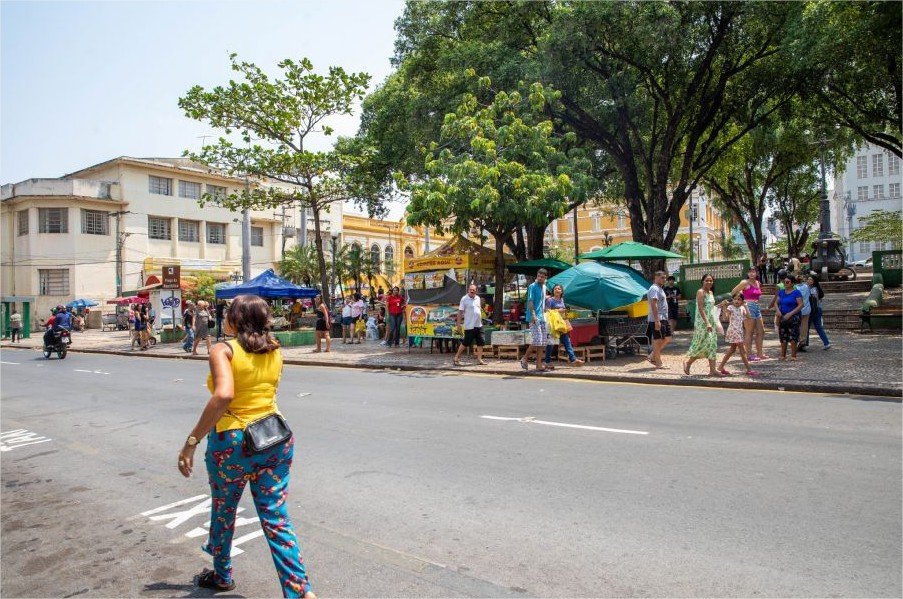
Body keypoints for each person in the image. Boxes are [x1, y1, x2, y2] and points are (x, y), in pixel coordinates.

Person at [176, 294, 315, 598]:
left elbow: (224, 395)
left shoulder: (223, 351)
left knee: (224, 510)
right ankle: (301, 591)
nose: (222, 316)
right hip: (275, 437)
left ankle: (223, 575)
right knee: (276, 517)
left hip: (233, 443)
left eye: (226, 312)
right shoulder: (275, 347)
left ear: (236, 320)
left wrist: (192, 441)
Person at [683, 274, 721, 376]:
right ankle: (688, 363)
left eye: (711, 280)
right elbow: (701, 308)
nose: (709, 282)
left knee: (712, 344)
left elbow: (711, 308)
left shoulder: (711, 292)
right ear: (702, 281)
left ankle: (713, 370)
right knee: (703, 345)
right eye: (707, 280)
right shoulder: (700, 292)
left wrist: (721, 305)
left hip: (711, 322)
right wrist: (707, 322)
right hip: (703, 323)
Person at [731, 267, 768, 362]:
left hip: (756, 306)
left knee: (761, 331)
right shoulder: (744, 282)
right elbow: (733, 292)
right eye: (750, 271)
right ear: (747, 273)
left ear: (756, 273)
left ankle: (760, 353)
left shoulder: (757, 283)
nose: (752, 273)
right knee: (749, 331)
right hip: (749, 306)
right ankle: (749, 354)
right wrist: (742, 302)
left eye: (754, 271)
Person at [716, 293, 758, 376]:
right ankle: (749, 369)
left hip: (739, 331)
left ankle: (720, 367)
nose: (736, 301)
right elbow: (725, 317)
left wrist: (746, 306)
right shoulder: (731, 307)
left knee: (732, 350)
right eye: (735, 299)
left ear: (742, 301)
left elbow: (749, 316)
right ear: (732, 300)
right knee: (742, 351)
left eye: (739, 299)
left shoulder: (742, 308)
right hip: (733, 331)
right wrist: (724, 307)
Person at [543, 283, 584, 368]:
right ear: (553, 291)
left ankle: (573, 359)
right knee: (551, 344)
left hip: (562, 324)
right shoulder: (550, 300)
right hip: (553, 325)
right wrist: (558, 311)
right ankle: (547, 362)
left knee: (567, 341)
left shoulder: (562, 300)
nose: (557, 290)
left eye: (559, 289)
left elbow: (563, 313)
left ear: (561, 291)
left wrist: (567, 314)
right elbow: (547, 311)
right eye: (555, 289)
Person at [520, 268, 550, 372]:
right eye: (538, 276)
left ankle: (538, 365)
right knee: (537, 339)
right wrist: (533, 315)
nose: (540, 278)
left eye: (542, 276)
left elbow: (542, 301)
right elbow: (530, 301)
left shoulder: (544, 287)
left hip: (542, 316)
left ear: (546, 278)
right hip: (533, 317)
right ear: (537, 276)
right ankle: (524, 358)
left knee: (542, 342)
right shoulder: (532, 286)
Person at [453, 284, 487, 366]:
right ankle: (456, 357)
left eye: (473, 290)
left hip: (479, 324)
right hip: (469, 325)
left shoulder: (478, 298)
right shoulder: (464, 299)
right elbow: (460, 312)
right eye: (470, 289)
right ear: (468, 290)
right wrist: (458, 325)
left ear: (476, 291)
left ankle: (479, 359)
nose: (472, 291)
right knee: (466, 342)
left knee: (481, 341)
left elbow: (478, 310)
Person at [646, 271, 671, 369]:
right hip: (657, 318)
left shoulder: (660, 288)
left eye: (665, 278)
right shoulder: (654, 288)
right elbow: (654, 304)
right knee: (658, 340)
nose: (664, 279)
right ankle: (658, 363)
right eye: (662, 278)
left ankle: (652, 355)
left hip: (663, 318)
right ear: (656, 277)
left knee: (667, 338)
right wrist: (657, 321)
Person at [776, 275, 804, 360]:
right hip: (782, 316)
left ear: (792, 283)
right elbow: (776, 303)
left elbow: (801, 305)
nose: (785, 284)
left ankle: (793, 355)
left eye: (787, 282)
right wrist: (778, 311)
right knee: (783, 336)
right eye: (784, 282)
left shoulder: (796, 292)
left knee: (793, 336)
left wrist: (790, 314)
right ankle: (783, 355)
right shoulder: (781, 292)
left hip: (794, 317)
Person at [806, 275, 831, 350]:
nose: (808, 281)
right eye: (808, 279)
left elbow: (814, 301)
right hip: (818, 309)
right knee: (819, 327)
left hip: (813, 310)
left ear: (814, 281)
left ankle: (804, 344)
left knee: (806, 327)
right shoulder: (816, 289)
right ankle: (826, 343)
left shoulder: (813, 289)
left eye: (810, 279)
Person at [794, 274, 812, 351]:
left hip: (797, 309)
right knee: (804, 326)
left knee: (797, 326)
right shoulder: (806, 286)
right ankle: (803, 341)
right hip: (806, 309)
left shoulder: (795, 288)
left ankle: (798, 341)